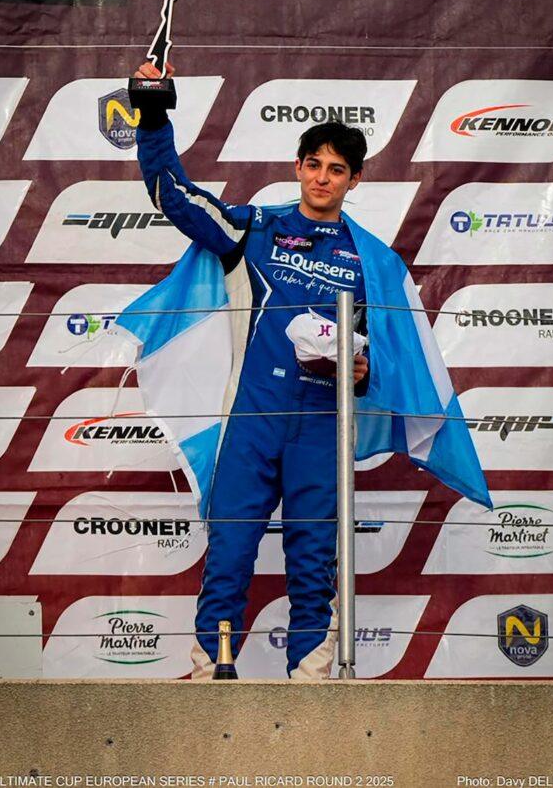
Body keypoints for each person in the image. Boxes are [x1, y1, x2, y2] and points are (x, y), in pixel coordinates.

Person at [132, 59, 371, 681]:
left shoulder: (368, 257)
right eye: (313, 165)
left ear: (354, 181)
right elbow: (175, 197)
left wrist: (361, 369)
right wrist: (154, 114)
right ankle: (214, 672)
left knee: (314, 562)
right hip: (253, 420)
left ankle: (311, 684)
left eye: (336, 170)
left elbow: (380, 359)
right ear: (298, 168)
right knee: (231, 553)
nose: (323, 177)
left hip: (323, 424)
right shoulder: (255, 229)